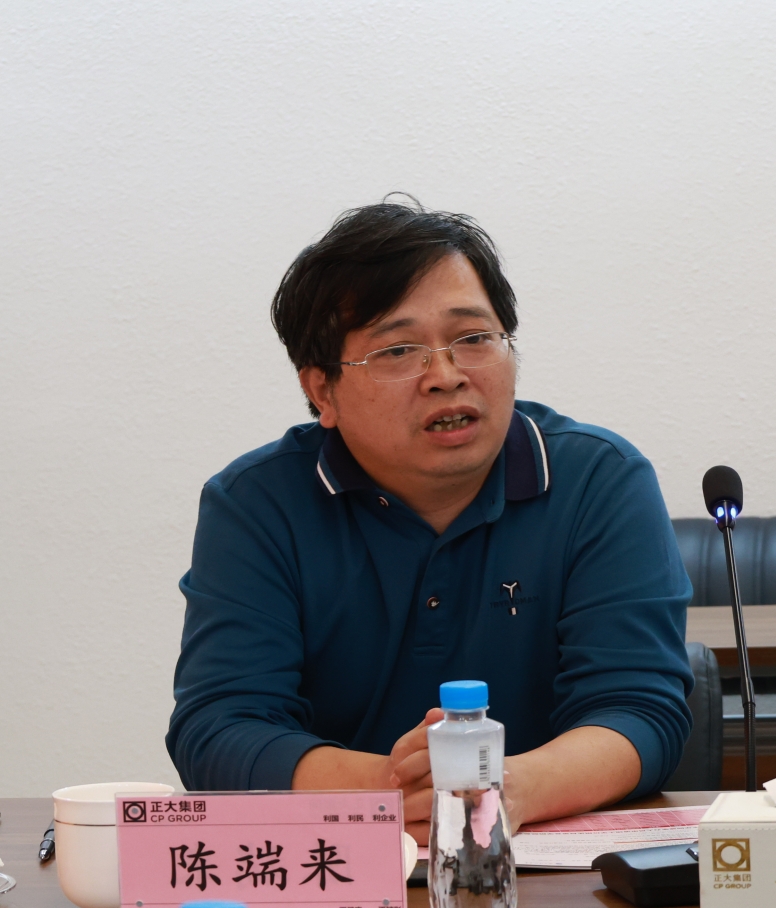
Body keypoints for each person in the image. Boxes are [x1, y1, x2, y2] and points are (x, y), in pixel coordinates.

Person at [168, 200, 693, 841]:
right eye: (398, 350)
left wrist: (502, 788)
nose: (445, 376)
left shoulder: (598, 481)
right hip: (341, 870)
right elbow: (219, 728)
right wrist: (393, 789)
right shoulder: (257, 504)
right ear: (322, 391)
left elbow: (639, 710)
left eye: (473, 339)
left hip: (544, 866)